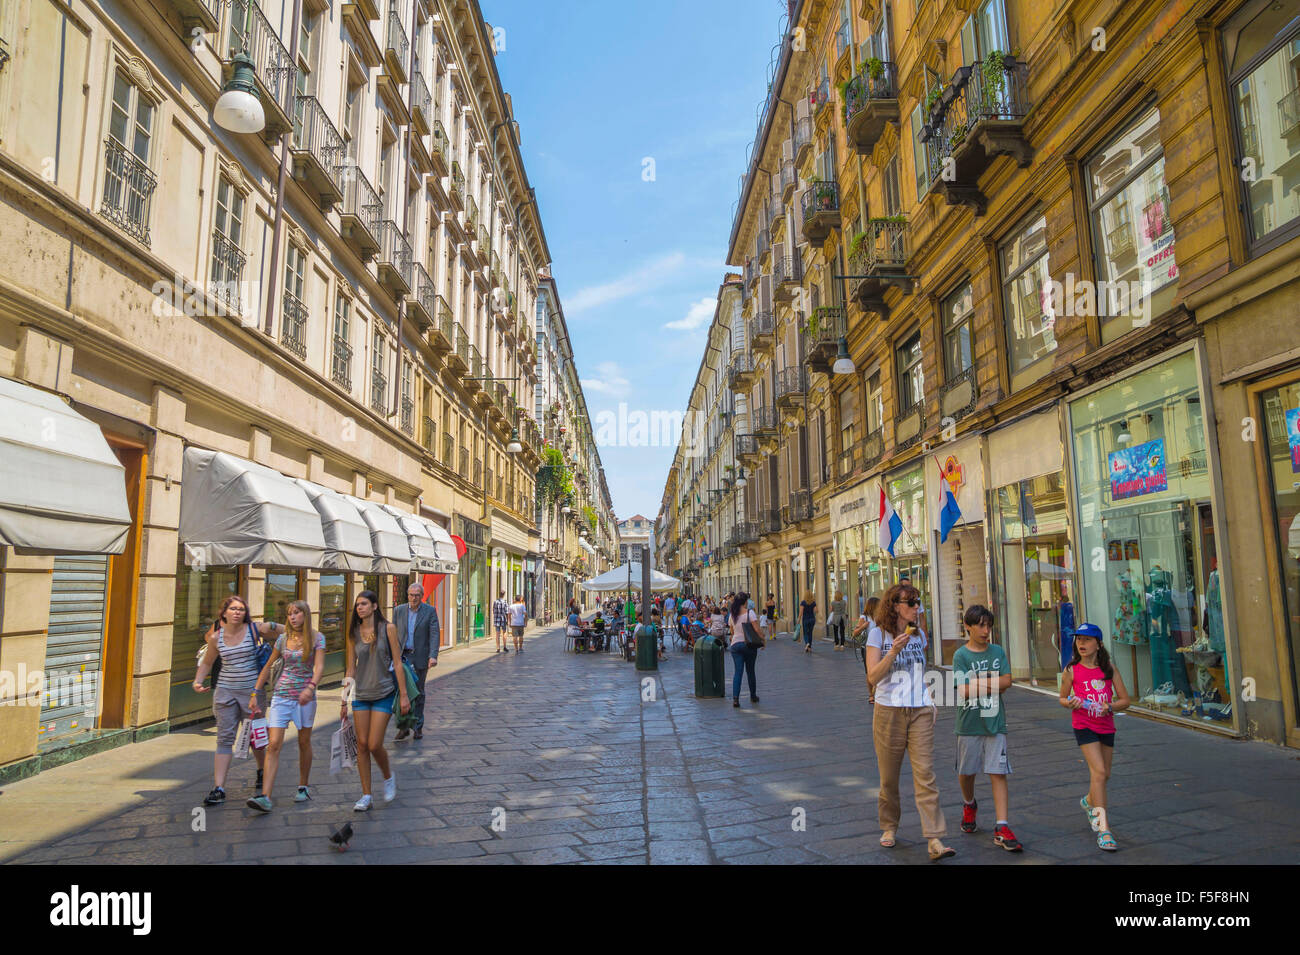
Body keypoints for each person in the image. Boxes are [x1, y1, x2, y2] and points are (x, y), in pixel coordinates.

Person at [865, 583, 954, 861]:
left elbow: (920, 673)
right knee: (889, 778)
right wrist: (892, 652)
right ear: (895, 606)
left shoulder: (919, 636)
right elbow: (872, 677)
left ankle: (934, 837)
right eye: (911, 602)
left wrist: (929, 699)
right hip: (888, 711)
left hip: (919, 712)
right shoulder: (877, 635)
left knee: (925, 774)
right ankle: (889, 826)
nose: (917, 607)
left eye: (918, 602)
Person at [193, 595, 283, 806]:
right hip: (225, 693)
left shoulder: (254, 630)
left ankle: (261, 770)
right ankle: (219, 787)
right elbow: (207, 663)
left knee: (256, 738)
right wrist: (198, 681)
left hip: (253, 694)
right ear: (223, 613)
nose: (237, 612)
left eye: (241, 609)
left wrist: (273, 624)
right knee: (224, 738)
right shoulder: (216, 638)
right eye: (233, 609)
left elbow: (285, 630)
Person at [952, 605, 1021, 852]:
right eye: (980, 625)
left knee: (998, 772)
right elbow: (964, 690)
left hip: (995, 722)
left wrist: (979, 682)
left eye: (989, 625)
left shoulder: (997, 651)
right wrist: (994, 683)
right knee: (966, 771)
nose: (986, 630)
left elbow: (1008, 681)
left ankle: (1002, 825)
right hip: (969, 723)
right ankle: (969, 804)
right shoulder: (960, 655)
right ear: (968, 627)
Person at [247, 600, 325, 811]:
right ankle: (265, 796)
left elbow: (318, 667)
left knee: (303, 742)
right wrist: (256, 691)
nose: (292, 617)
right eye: (290, 614)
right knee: (273, 744)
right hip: (281, 696)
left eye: (297, 613)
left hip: (304, 698)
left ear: (305, 615)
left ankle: (303, 786)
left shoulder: (317, 638)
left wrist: (310, 687)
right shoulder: (282, 639)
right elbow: (268, 665)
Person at [1060, 622, 1130, 852]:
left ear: (1098, 644)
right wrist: (1069, 702)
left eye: (1087, 639)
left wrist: (1109, 706)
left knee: (1105, 775)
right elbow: (1061, 697)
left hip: (1106, 725)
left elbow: (1125, 700)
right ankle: (1104, 830)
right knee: (1098, 772)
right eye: (1078, 639)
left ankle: (1089, 801)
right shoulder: (1071, 670)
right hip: (1084, 725)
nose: (1081, 643)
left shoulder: (1109, 668)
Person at [342, 590, 408, 811]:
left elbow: (398, 663)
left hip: (384, 692)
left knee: (374, 744)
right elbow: (351, 667)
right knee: (361, 745)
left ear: (374, 606)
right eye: (357, 605)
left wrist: (404, 696)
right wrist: (344, 699)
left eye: (363, 604)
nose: (359, 608)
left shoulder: (387, 628)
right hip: (361, 694)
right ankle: (366, 795)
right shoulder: (353, 632)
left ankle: (388, 776)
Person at [393, 583, 439, 741]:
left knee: (418, 692)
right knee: (401, 692)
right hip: (402, 657)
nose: (413, 598)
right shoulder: (398, 611)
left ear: (422, 596)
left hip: (420, 657)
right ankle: (403, 727)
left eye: (417, 595)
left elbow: (434, 634)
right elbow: (392, 634)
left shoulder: (430, 611)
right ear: (407, 595)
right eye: (411, 595)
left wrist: (433, 655)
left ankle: (417, 726)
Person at [728, 592, 760, 708]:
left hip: (735, 645)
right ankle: (753, 695)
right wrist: (762, 640)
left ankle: (736, 699)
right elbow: (756, 629)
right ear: (745, 601)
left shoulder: (732, 614)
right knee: (750, 671)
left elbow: (732, 631)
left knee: (738, 672)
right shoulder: (750, 613)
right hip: (749, 645)